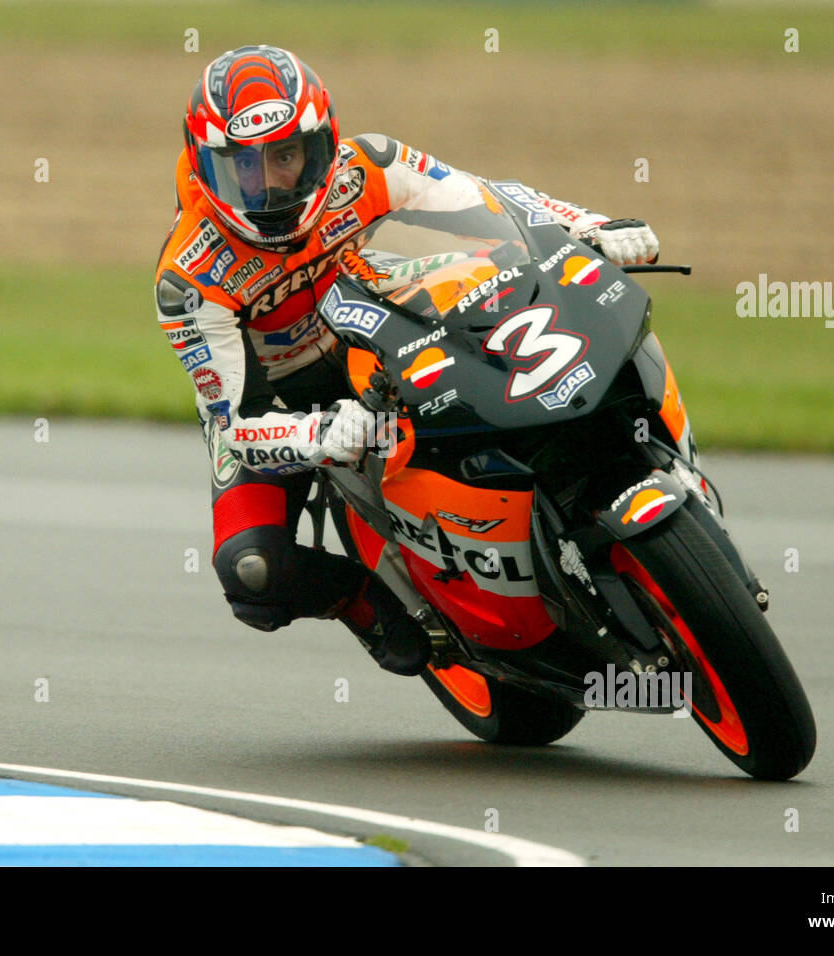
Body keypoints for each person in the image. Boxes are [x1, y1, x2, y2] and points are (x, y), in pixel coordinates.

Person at [154, 45, 659, 676]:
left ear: (323, 143)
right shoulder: (186, 279)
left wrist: (591, 226)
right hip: (275, 403)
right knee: (251, 570)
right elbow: (230, 427)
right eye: (243, 169)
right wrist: (317, 433)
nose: (272, 185)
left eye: (286, 157)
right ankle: (362, 602)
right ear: (205, 170)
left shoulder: (366, 165)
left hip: (373, 328)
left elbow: (491, 201)